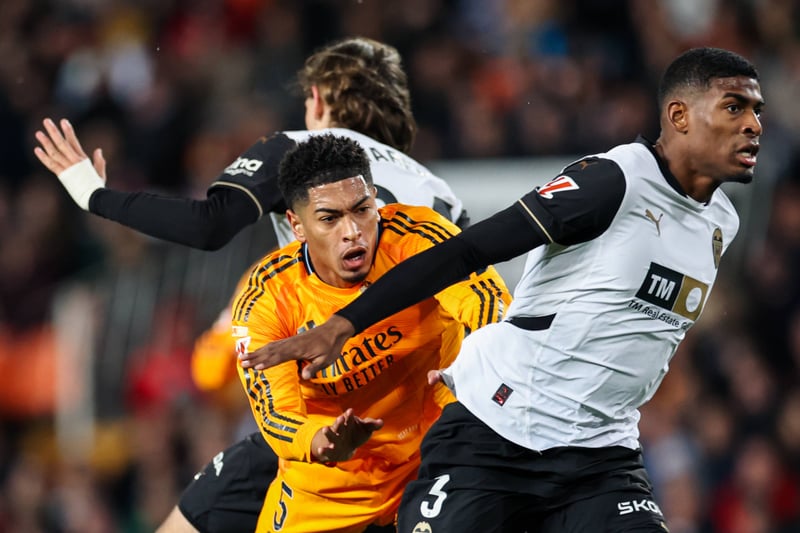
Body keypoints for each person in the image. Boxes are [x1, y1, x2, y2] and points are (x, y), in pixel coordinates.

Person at [240, 47, 764, 532]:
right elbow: (465, 252)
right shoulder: (614, 180)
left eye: (756, 111)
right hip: (497, 434)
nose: (753, 125)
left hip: (601, 455)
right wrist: (344, 324)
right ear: (679, 115)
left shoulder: (723, 221)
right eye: (734, 107)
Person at [33, 37, 471, 533]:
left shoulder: (299, 154)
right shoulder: (439, 193)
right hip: (419, 425)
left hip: (329, 414)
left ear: (318, 99)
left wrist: (95, 195)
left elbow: (209, 225)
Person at [230, 132, 510, 532]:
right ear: (297, 226)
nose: (352, 231)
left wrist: (476, 373)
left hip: (436, 454)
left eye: (362, 210)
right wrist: (323, 440)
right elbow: (275, 414)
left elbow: (488, 305)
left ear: (375, 200)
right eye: (329, 218)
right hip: (329, 485)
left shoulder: (418, 236)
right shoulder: (266, 298)